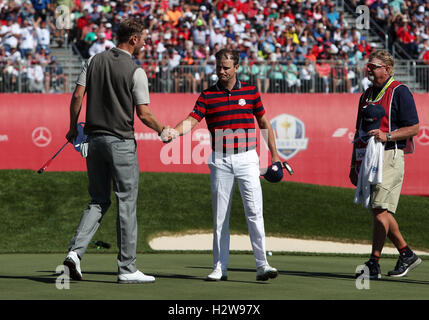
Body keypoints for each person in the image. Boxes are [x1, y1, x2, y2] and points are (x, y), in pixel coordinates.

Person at [62, 17, 173, 284]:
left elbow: (77, 97)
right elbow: (144, 113)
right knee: (126, 202)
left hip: (93, 141)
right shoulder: (136, 71)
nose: (146, 42)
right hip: (120, 142)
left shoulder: (93, 61)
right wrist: (162, 130)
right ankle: (127, 268)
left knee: (97, 200)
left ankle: (74, 254)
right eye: (144, 37)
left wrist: (71, 128)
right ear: (133, 39)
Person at [171, 48, 280, 282]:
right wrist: (174, 132)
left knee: (255, 213)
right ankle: (220, 267)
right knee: (221, 217)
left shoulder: (250, 91)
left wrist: (274, 155)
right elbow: (192, 120)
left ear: (237, 68)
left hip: (248, 158)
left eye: (226, 67)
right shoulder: (207, 95)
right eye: (219, 66)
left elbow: (263, 122)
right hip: (220, 159)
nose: (221, 71)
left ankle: (263, 265)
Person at [351, 50, 421, 280]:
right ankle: (376, 261)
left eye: (374, 66)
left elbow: (413, 128)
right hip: (369, 156)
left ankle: (404, 252)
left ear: (387, 69)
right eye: (368, 66)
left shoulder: (400, 91)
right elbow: (358, 131)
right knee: (377, 210)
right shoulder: (367, 94)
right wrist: (354, 164)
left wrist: (388, 135)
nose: (369, 69)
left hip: (390, 153)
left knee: (380, 209)